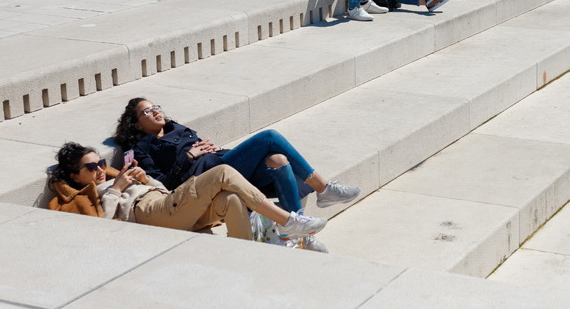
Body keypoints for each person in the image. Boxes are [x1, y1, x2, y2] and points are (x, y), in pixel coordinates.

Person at [114, 99, 359, 223]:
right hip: (206, 178)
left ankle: (298, 231)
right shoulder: (141, 149)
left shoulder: (176, 128)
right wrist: (188, 157)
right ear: (136, 124)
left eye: (156, 107)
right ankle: (323, 188)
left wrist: (210, 146)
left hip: (222, 161)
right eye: (147, 111)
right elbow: (163, 184)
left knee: (278, 159)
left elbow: (201, 146)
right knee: (270, 137)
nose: (156, 112)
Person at [47, 142, 327, 243]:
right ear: (75, 175)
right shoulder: (91, 193)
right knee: (222, 174)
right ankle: (288, 221)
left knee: (228, 199)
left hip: (166, 206)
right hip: (148, 214)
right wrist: (118, 187)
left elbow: (167, 196)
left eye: (102, 163)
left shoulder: (116, 176)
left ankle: (244, 252)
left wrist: (148, 181)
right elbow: (102, 223)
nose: (99, 170)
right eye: (91, 167)